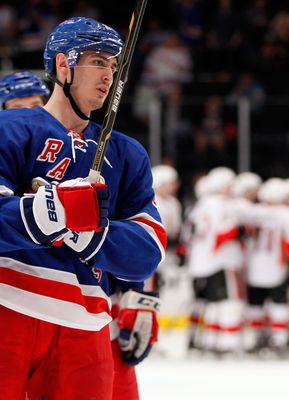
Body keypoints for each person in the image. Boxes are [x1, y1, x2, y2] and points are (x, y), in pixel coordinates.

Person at [0, 17, 167, 400]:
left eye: (113, 65)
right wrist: (49, 211)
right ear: (63, 65)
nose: (108, 74)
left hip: (86, 324)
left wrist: (86, 229)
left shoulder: (126, 153)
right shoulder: (10, 129)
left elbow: (148, 250)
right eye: (97, 60)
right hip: (7, 307)